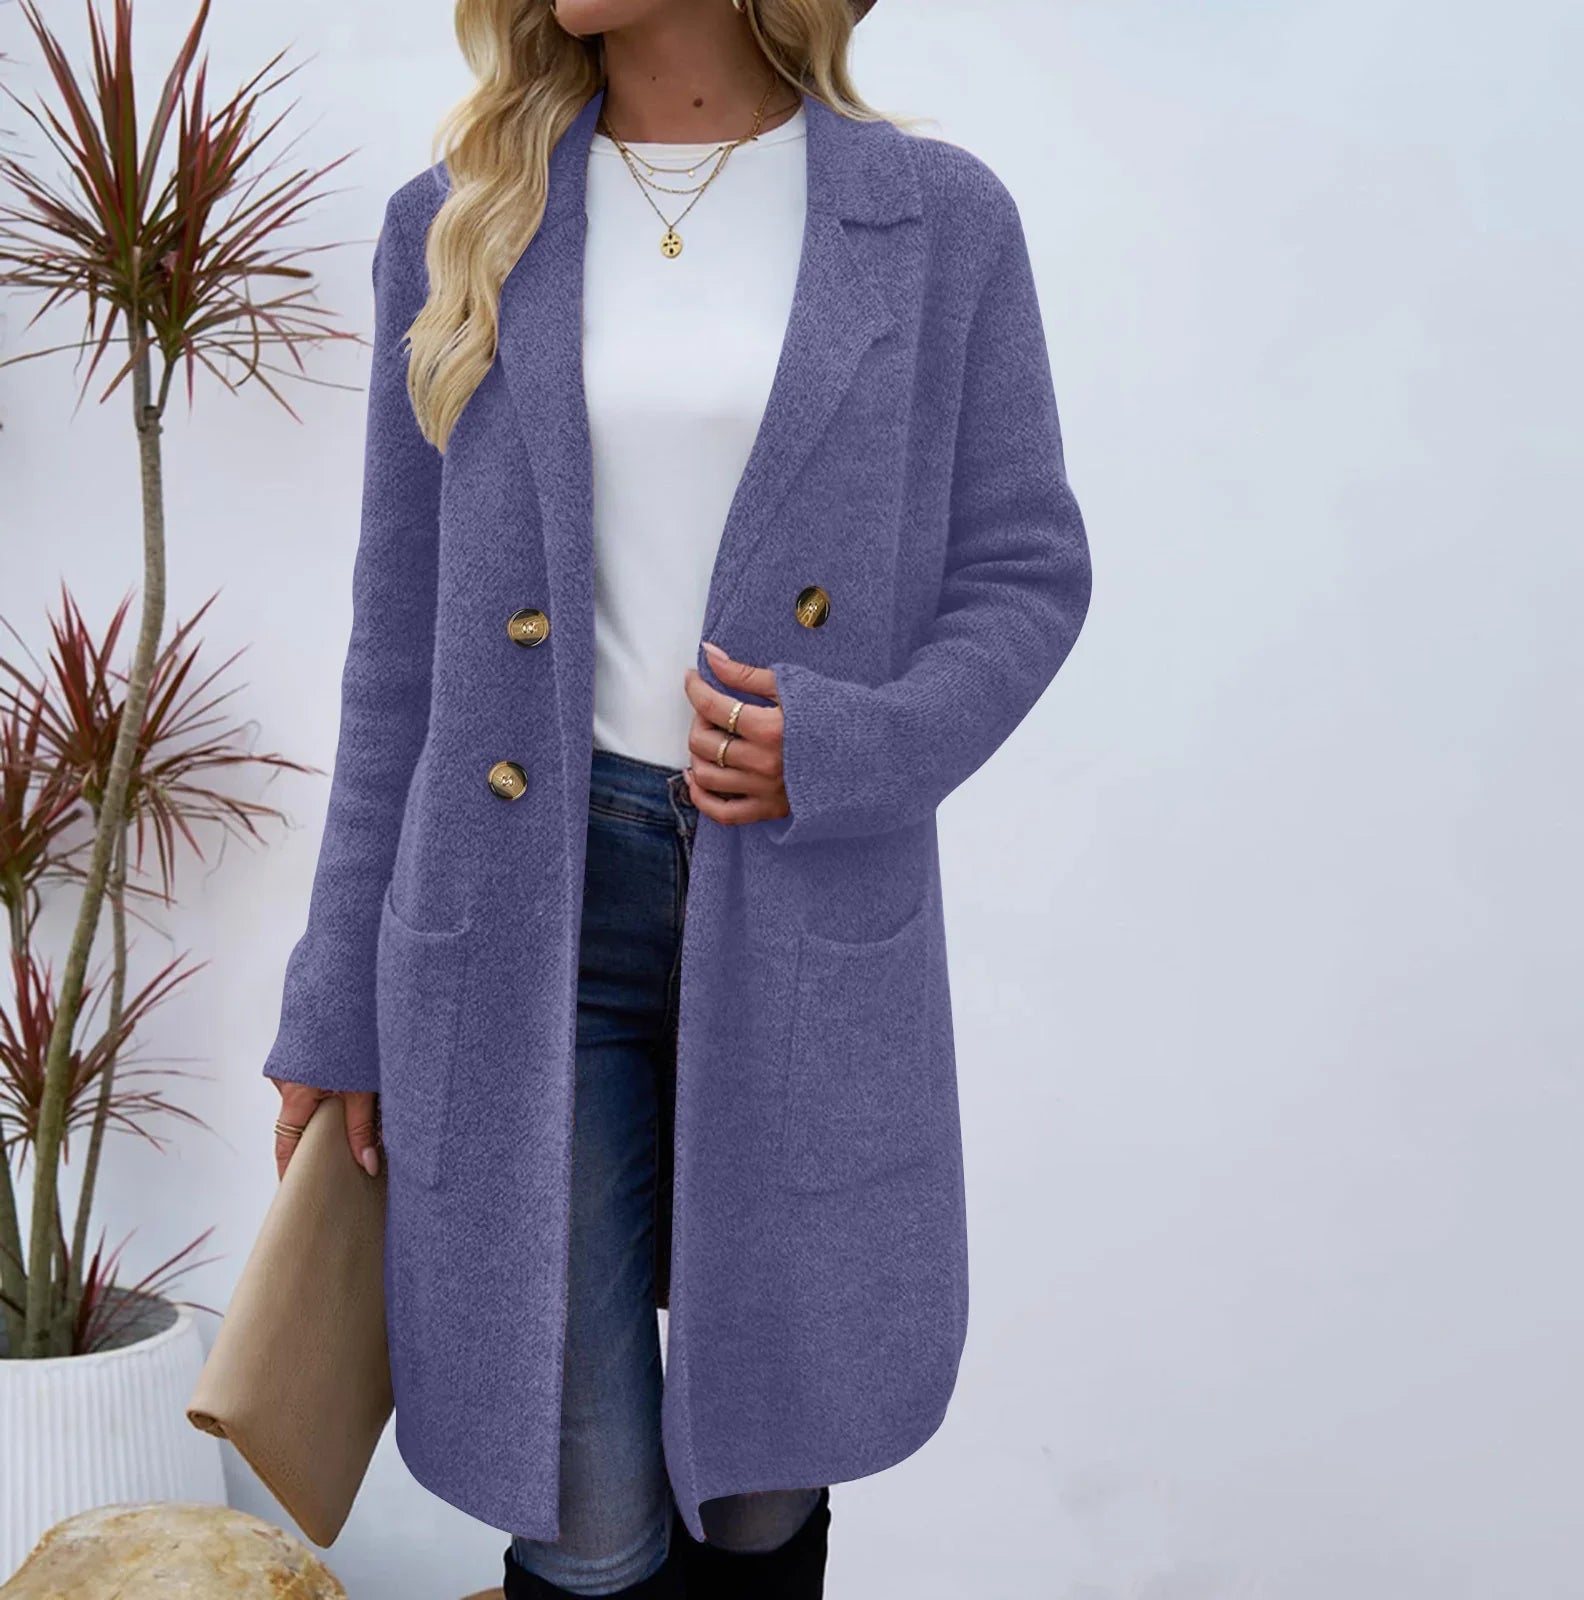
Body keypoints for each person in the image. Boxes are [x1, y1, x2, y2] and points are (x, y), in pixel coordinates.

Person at [264, 0, 1092, 1595]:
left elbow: (1026, 568)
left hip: (801, 915)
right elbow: (396, 652)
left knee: (759, 1488)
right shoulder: (458, 220)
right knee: (580, 1506)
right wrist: (332, 1003)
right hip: (520, 919)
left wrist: (849, 744)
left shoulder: (937, 222)